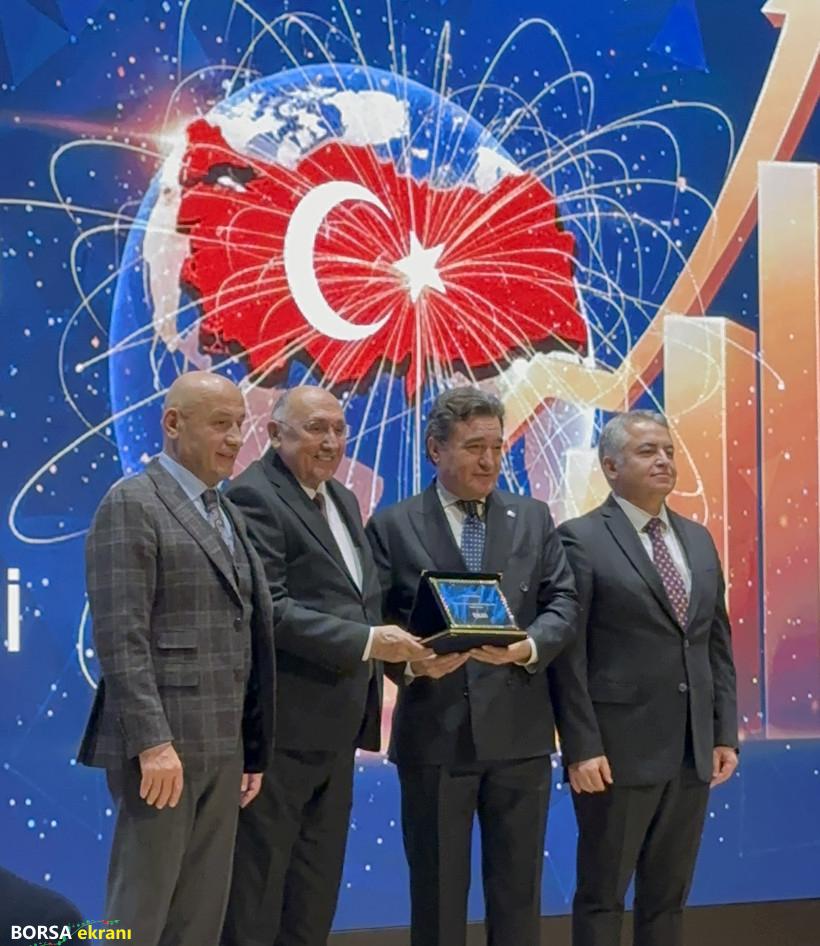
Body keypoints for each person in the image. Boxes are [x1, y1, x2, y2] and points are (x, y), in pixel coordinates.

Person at [366, 386, 578, 946]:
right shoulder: (393, 525)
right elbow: (374, 619)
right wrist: (413, 668)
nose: (489, 461)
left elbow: (564, 602)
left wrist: (528, 646)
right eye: (473, 447)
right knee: (437, 899)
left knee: (518, 897)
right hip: (435, 736)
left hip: (520, 736)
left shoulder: (532, 517)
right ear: (435, 449)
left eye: (497, 447)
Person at [221, 386, 429, 946]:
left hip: (337, 729)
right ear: (275, 434)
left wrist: (410, 661)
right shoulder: (253, 495)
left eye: (339, 429)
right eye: (316, 428)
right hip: (281, 731)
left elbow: (360, 599)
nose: (331, 441)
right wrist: (369, 641)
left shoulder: (341, 497)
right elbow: (271, 610)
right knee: (257, 896)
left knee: (314, 894)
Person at [77, 371, 276, 946]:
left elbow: (243, 632)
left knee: (199, 918)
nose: (235, 437)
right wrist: (152, 744)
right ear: (172, 424)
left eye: (240, 424)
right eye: (221, 423)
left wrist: (251, 744)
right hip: (162, 750)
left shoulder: (226, 511)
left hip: (222, 746)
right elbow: (121, 638)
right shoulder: (132, 503)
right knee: (138, 915)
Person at [551, 410, 739, 946]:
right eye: (647, 451)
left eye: (668, 451)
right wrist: (581, 746)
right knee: (602, 896)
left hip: (691, 751)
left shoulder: (698, 539)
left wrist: (724, 732)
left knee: (667, 897)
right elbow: (569, 654)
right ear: (610, 466)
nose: (663, 460)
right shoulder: (581, 538)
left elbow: (715, 643)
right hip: (616, 754)